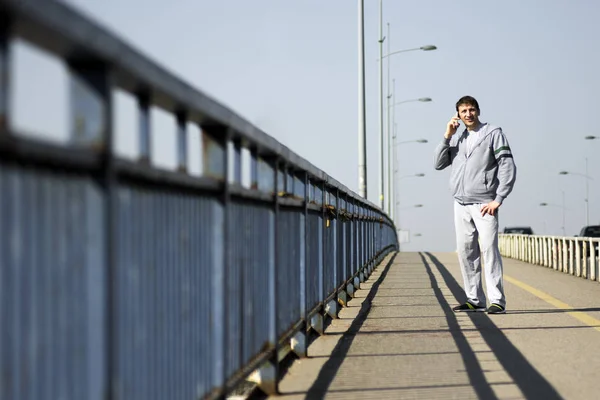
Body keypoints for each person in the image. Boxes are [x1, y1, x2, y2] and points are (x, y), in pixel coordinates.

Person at [433, 95, 517, 314]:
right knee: (466, 251)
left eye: (471, 110)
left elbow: (507, 165)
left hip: (485, 203)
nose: (468, 114)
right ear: (458, 115)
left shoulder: (493, 134)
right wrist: (447, 136)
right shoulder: (459, 139)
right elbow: (438, 164)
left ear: (478, 111)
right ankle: (474, 298)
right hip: (460, 203)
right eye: (463, 111)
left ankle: (497, 300)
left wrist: (499, 198)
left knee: (489, 250)